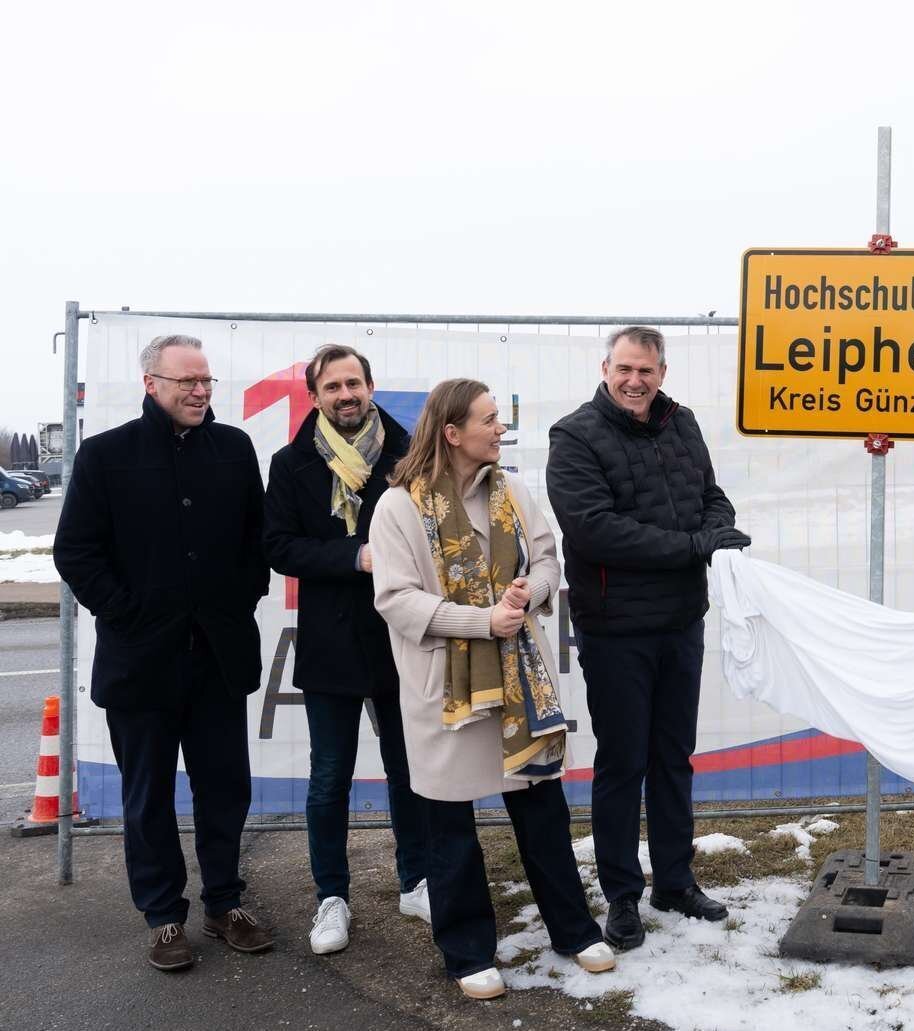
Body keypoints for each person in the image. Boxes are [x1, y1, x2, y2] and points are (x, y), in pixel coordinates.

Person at [369, 378, 613, 1000]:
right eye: (488, 420)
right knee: (449, 831)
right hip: (445, 693)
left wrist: (526, 593)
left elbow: (547, 559)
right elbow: (396, 599)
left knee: (543, 815)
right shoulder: (398, 507)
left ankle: (574, 931)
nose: (499, 428)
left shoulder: (513, 492)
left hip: (518, 688)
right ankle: (468, 950)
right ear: (452, 433)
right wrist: (482, 621)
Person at [54, 334, 273, 971]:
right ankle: (164, 917)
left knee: (225, 789)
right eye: (187, 383)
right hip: (140, 663)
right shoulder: (105, 456)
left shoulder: (233, 450)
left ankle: (225, 903)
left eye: (206, 382)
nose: (201, 392)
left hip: (218, 659)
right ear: (152, 384)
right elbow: (77, 553)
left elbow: (255, 541)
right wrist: (129, 611)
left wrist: (236, 600)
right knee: (147, 797)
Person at [545, 326, 749, 950]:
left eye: (647, 371)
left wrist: (719, 529)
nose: (635, 381)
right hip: (617, 630)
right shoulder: (574, 435)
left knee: (671, 760)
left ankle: (675, 881)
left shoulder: (681, 423)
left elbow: (711, 497)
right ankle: (623, 896)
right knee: (622, 764)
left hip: (682, 621)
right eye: (625, 369)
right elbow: (595, 531)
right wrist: (694, 546)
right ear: (605, 367)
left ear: (662, 372)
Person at [263, 345, 429, 956]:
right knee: (329, 776)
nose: (345, 395)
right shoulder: (291, 464)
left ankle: (418, 881)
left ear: (370, 385)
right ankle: (332, 897)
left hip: (399, 635)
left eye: (353, 383)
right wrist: (354, 557)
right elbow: (278, 546)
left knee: (409, 770)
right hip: (331, 640)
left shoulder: (409, 454)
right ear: (315, 397)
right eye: (332, 387)